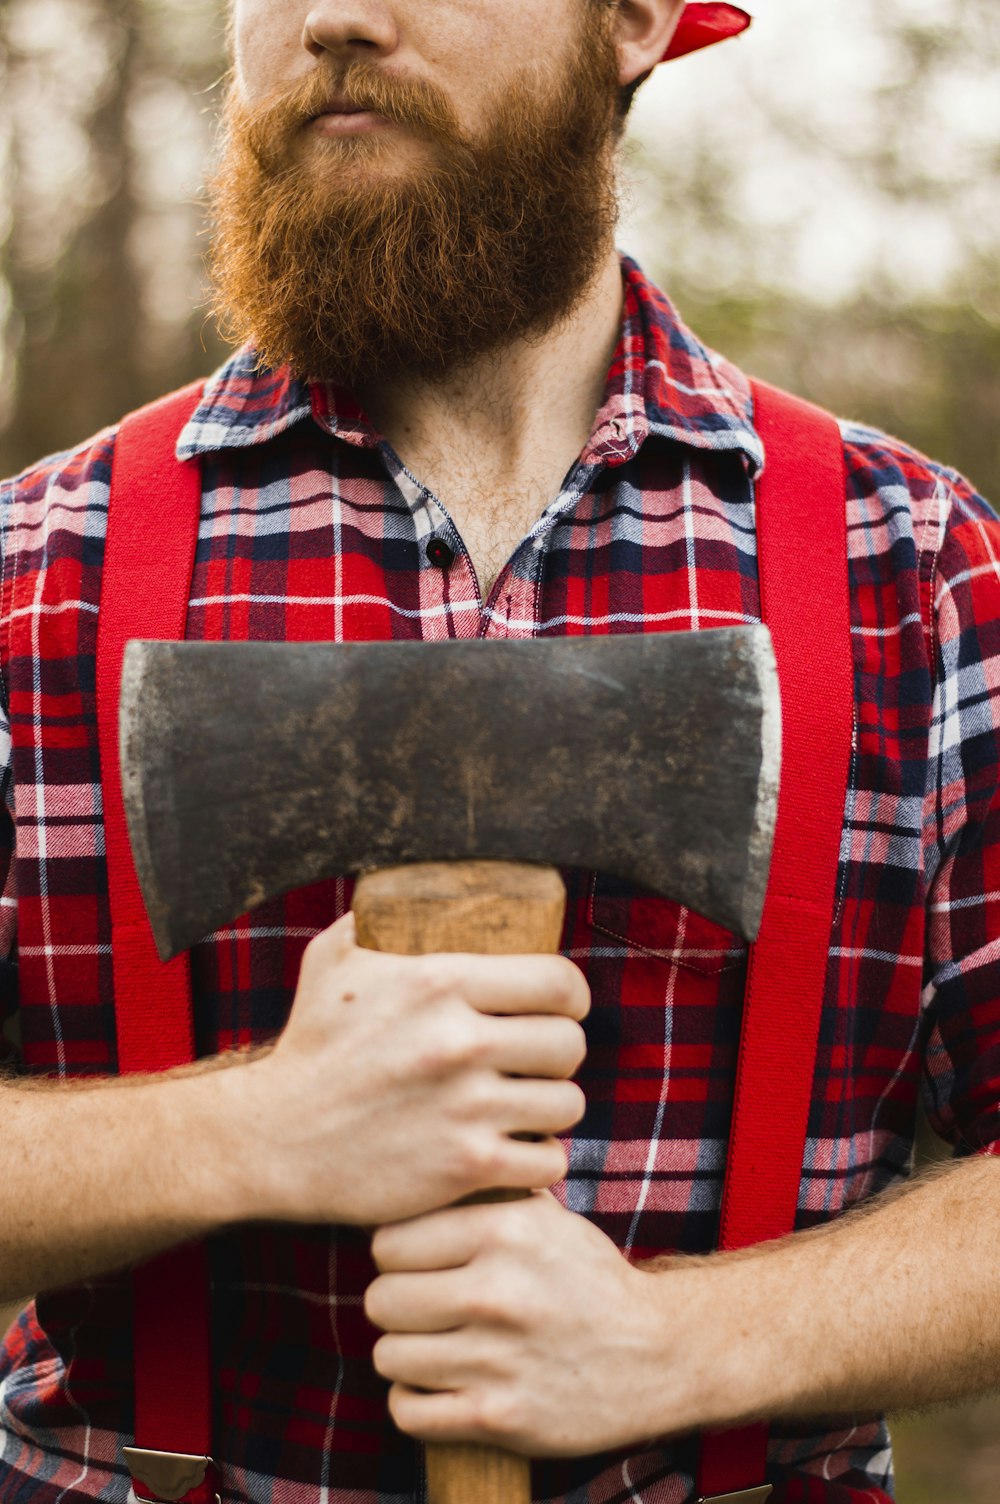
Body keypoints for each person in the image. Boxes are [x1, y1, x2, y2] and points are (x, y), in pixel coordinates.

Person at [0, 2, 998, 1501]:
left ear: (638, 18)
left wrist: (684, 1343)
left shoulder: (913, 568)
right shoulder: (38, 572)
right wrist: (251, 1127)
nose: (333, 15)